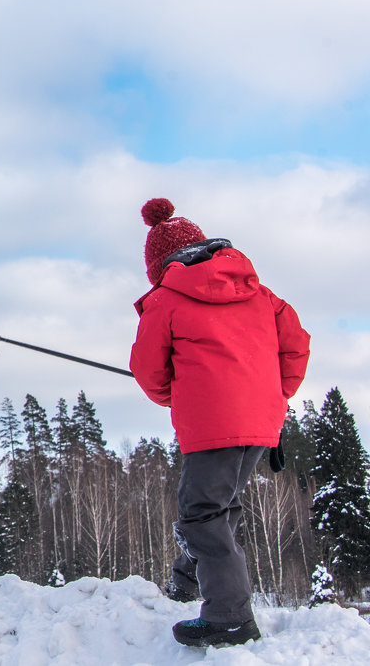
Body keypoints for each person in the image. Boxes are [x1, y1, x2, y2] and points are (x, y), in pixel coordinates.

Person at [129, 197, 309, 648]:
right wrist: (273, 395)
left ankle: (229, 617)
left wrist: (182, 398)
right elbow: (297, 346)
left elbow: (149, 371)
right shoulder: (261, 293)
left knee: (202, 514)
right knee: (220, 506)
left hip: (212, 427)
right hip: (260, 424)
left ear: (159, 265)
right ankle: (187, 587)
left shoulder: (167, 300)